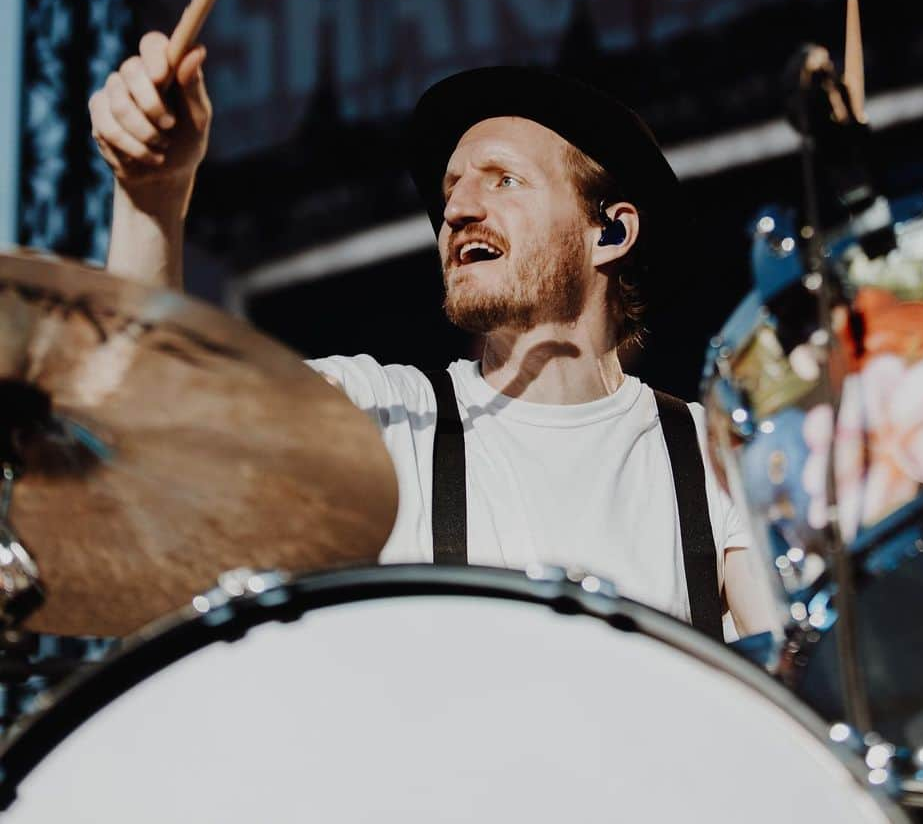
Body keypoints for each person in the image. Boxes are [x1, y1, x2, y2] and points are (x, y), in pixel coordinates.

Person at [90, 32, 774, 638]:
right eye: (451, 191)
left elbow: (793, 696)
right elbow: (159, 423)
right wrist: (153, 195)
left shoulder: (714, 457)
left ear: (611, 231)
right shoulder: (380, 416)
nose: (460, 209)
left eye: (503, 179)